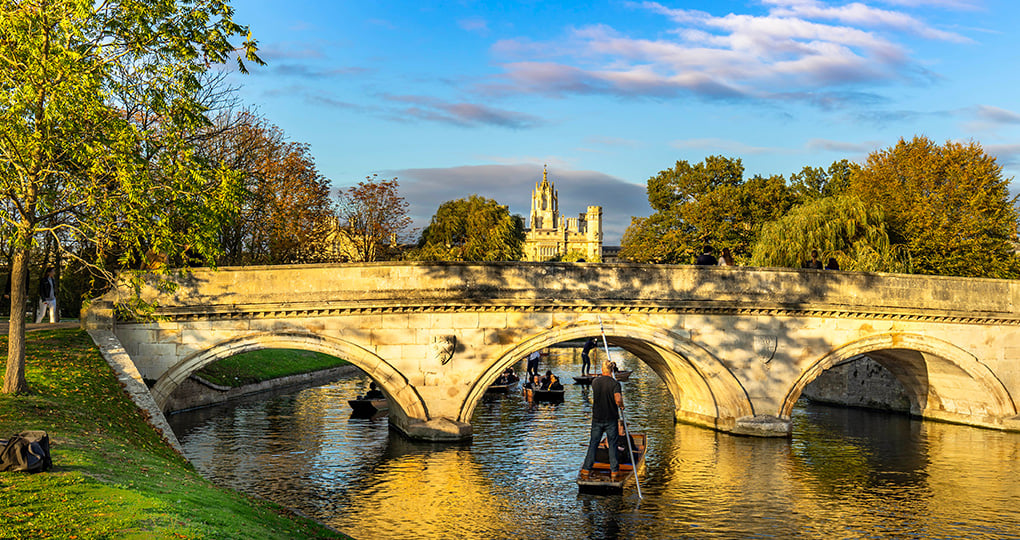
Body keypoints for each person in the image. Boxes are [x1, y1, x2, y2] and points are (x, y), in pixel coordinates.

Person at [579, 359, 625, 482]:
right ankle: (614, 471)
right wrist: (621, 405)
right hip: (611, 418)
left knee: (593, 443)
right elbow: (618, 399)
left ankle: (586, 469)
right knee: (613, 445)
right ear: (612, 370)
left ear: (602, 370)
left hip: (597, 418)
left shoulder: (595, 382)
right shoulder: (615, 384)